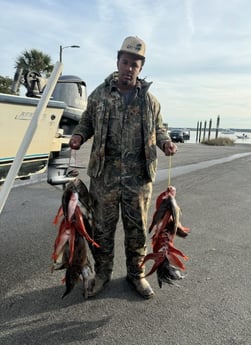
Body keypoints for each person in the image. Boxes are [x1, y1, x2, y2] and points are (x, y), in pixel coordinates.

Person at [69, 36, 177, 299]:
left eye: (135, 64)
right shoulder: (99, 96)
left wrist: (166, 143)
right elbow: (86, 123)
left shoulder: (150, 101)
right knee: (102, 229)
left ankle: (136, 275)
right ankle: (103, 275)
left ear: (141, 68)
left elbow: (159, 129)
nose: (129, 68)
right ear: (118, 62)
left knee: (137, 230)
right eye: (125, 62)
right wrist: (79, 137)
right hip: (104, 177)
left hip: (138, 179)